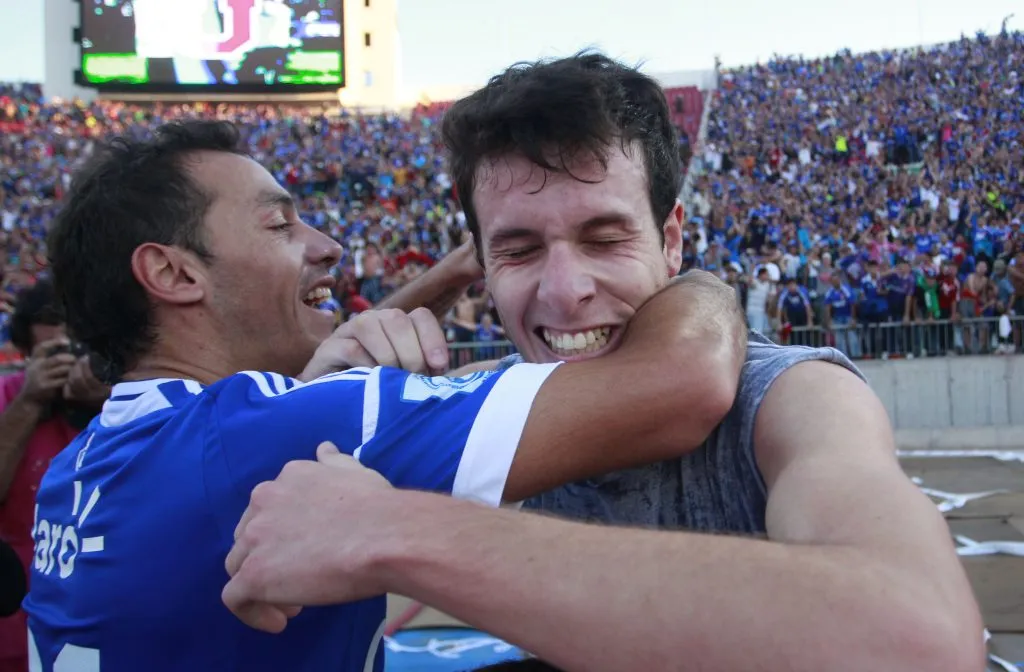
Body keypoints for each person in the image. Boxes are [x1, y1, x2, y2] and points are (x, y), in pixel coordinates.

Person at [223, 53, 985, 671]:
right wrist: (326, 394)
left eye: (604, 238)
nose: (565, 290)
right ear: (482, 268)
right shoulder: (494, 406)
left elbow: (919, 637)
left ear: (673, 239)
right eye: (519, 250)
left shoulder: (791, 396)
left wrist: (396, 533)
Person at [24, 120, 746, 672]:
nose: (328, 244)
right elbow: (683, 378)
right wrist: (694, 272)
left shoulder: (78, 466)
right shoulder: (269, 432)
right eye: (281, 224)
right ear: (175, 275)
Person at [0, 280, 108, 672]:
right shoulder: (10, 396)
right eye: (52, 353)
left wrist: (109, 399)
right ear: (27, 354)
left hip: (101, 612)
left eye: (77, 348)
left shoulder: (125, 401)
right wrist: (30, 402)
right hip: (17, 619)